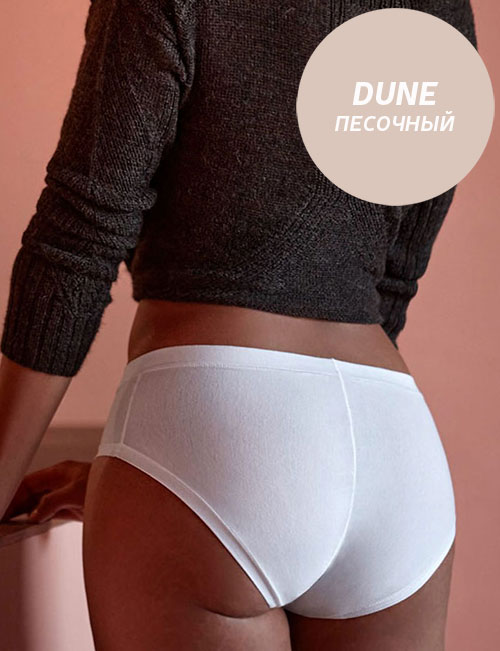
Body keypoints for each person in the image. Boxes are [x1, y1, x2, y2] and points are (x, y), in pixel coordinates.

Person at [0, 1, 477, 649]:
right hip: (397, 456)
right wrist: (282, 472)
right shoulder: (442, 6)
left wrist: (175, 480)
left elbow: (79, 237)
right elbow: (396, 271)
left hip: (210, 429)